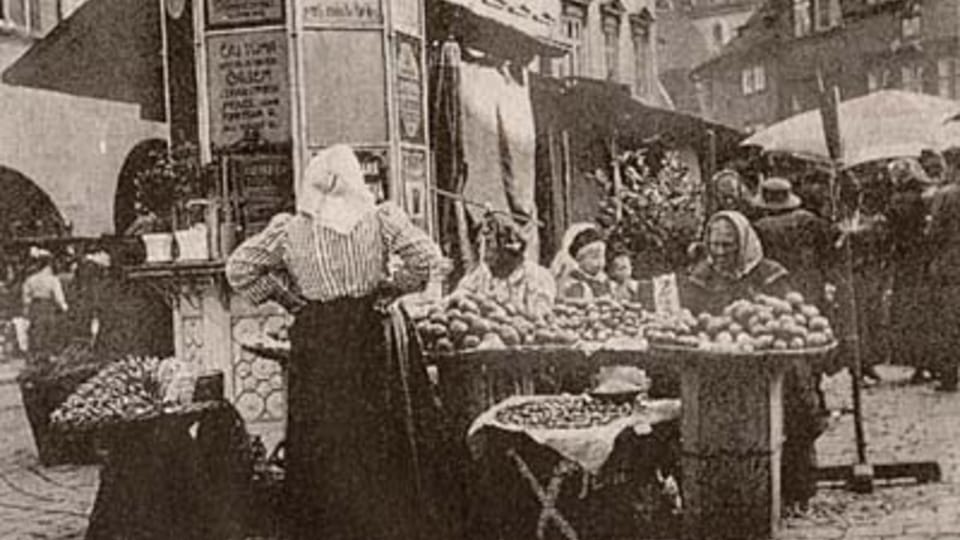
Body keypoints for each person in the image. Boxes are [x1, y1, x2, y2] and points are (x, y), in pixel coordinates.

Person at [226, 144, 457, 540]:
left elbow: (239, 270)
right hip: (374, 329)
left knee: (327, 434)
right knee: (381, 429)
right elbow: (426, 257)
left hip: (320, 336)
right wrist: (392, 288)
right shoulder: (381, 219)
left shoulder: (290, 228)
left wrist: (287, 299)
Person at [680, 211, 825, 511]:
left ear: (743, 243)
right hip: (715, 362)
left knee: (795, 403)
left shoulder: (769, 274)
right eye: (714, 244)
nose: (719, 253)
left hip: (769, 363)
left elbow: (790, 318)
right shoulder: (699, 276)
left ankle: (795, 489)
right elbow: (687, 318)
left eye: (728, 245)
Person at [886, 158, 937, 385]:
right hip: (923, 260)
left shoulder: (898, 200)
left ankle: (916, 361)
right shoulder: (925, 199)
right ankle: (927, 362)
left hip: (905, 262)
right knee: (925, 310)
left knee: (908, 311)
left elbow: (892, 231)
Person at [456, 212, 555, 318]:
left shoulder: (537, 277)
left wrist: (500, 309)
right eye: (480, 244)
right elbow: (458, 296)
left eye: (488, 243)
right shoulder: (479, 276)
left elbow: (540, 316)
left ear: (508, 248)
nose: (482, 251)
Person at [925, 156, 960, 391]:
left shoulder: (946, 195)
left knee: (948, 320)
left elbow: (933, 233)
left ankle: (948, 375)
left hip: (950, 264)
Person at [21, 247, 69, 361]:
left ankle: (36, 356)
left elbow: (26, 298)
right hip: (47, 307)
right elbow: (59, 297)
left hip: (35, 307)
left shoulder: (30, 279)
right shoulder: (52, 280)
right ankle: (46, 357)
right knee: (49, 330)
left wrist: (26, 311)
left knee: (36, 331)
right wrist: (65, 308)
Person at [556, 226, 613, 300]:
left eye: (602, 257)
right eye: (594, 257)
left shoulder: (603, 279)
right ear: (580, 260)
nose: (600, 262)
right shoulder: (575, 283)